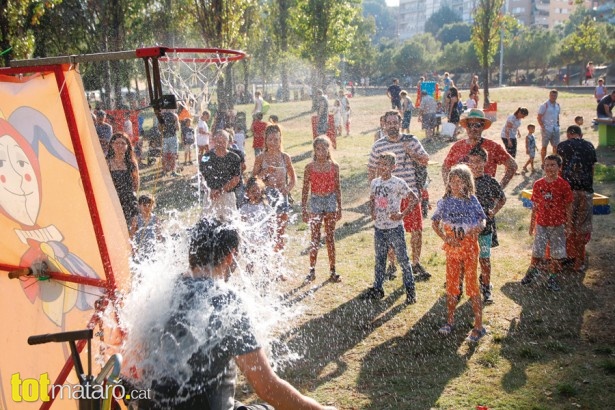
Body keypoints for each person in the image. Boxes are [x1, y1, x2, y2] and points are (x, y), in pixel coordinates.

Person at [132, 218, 337, 410]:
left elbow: (141, 362)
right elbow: (266, 388)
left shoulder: (164, 289)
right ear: (230, 255)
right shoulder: (226, 302)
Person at [367, 111, 431, 280]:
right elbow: (372, 169)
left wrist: (412, 153)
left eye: (395, 122)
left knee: (416, 230)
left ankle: (415, 263)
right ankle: (392, 264)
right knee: (389, 232)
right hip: (388, 197)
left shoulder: (411, 140)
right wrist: (373, 195)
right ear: (384, 124)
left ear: (400, 123)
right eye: (389, 123)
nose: (392, 125)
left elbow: (425, 160)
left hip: (410, 194)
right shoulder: (378, 146)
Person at [431, 164, 487, 342]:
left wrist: (478, 228)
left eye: (459, 181)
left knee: (471, 285)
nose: (454, 185)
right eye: (452, 181)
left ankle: (479, 326)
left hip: (470, 248)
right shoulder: (444, 202)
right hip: (453, 249)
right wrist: (445, 238)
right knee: (452, 285)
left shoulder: (472, 201)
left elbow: (483, 219)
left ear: (467, 183)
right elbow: (434, 223)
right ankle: (450, 321)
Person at [361, 152, 418, 305]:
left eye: (385, 165)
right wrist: (372, 210)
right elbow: (372, 198)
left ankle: (411, 291)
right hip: (379, 228)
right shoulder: (375, 182)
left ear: (394, 167)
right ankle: (378, 288)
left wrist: (402, 214)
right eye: (380, 164)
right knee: (380, 259)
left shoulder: (398, 183)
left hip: (395, 228)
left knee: (403, 260)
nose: (382, 168)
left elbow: (414, 199)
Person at [521, 154, 573, 291]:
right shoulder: (538, 184)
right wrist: (532, 224)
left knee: (557, 254)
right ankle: (531, 272)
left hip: (557, 225)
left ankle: (552, 279)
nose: (549, 168)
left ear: (559, 167)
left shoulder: (563, 185)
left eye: (552, 165)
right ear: (543, 166)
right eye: (547, 165)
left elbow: (568, 206)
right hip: (542, 223)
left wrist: (568, 225)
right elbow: (535, 206)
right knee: (537, 252)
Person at [468, 149, 506, 305]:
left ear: (485, 162)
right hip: (468, 229)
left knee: (484, 259)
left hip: (485, 228)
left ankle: (486, 287)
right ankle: (464, 286)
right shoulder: (465, 182)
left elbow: (502, 199)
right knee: (468, 259)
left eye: (478, 161)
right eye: (472, 162)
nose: (475, 165)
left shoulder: (490, 181)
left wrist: (493, 211)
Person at [442, 109, 517, 189]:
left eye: (477, 125)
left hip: (484, 196)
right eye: (470, 125)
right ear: (466, 127)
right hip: (462, 197)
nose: (473, 128)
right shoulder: (458, 146)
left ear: (482, 127)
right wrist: (449, 188)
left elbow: (512, 166)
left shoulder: (492, 146)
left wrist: (499, 188)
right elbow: (445, 167)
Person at [302, 136, 342, 283]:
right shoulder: (309, 167)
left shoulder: (334, 166)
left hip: (330, 200)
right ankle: (311, 271)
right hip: (316, 201)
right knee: (315, 238)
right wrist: (304, 208)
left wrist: (340, 206)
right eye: (318, 148)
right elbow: (306, 188)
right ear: (314, 150)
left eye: (324, 148)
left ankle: (333, 270)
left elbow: (338, 187)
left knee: (330, 237)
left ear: (328, 149)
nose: (321, 151)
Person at [556, 125, 597, 272]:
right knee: (582, 228)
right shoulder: (589, 146)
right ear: (581, 134)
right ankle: (579, 263)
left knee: (567, 226)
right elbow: (592, 169)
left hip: (568, 191)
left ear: (568, 134)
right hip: (585, 191)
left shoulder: (562, 146)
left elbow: (558, 169)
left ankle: (563, 258)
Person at [253, 124, 297, 252]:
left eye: (276, 140)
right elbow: (254, 180)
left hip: (282, 196)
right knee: (269, 231)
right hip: (267, 196)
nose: (273, 143)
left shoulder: (285, 157)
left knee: (280, 233)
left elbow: (293, 179)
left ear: (280, 140)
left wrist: (287, 189)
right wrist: (265, 172)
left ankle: (279, 266)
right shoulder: (261, 158)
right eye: (270, 140)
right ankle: (268, 264)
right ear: (265, 140)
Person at [200, 129, 242, 219]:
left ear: (228, 142)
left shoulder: (234, 158)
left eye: (223, 142)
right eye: (218, 142)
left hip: (227, 194)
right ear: (214, 141)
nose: (221, 144)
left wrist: (220, 190)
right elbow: (203, 176)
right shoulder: (206, 157)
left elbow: (236, 179)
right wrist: (210, 189)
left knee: (230, 224)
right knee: (207, 222)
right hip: (210, 195)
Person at [106, 132, 139, 227]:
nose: (120, 145)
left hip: (129, 199)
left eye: (123, 143)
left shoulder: (132, 163)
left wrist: (132, 198)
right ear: (112, 145)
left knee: (131, 227)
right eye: (117, 143)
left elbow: (136, 184)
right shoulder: (107, 163)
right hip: (113, 199)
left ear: (128, 146)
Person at [129, 193, 162, 263]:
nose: (147, 208)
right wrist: (134, 250)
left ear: (153, 206)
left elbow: (158, 236)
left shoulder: (156, 219)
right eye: (144, 205)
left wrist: (160, 248)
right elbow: (131, 237)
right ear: (139, 206)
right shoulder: (136, 219)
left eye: (149, 205)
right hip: (140, 250)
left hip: (152, 250)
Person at [537, 89, 560, 164]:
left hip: (555, 128)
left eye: (555, 95)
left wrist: (558, 124)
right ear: (549, 95)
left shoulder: (557, 105)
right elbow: (539, 116)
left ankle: (555, 161)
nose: (554, 97)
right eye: (552, 95)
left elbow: (557, 116)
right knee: (544, 146)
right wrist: (542, 126)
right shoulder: (544, 105)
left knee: (556, 146)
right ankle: (543, 162)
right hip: (546, 129)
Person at [160, 109, 180, 176]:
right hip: (173, 137)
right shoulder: (174, 116)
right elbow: (177, 128)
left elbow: (160, 128)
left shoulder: (162, 115)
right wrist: (177, 120)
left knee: (164, 155)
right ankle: (173, 172)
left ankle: (163, 171)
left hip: (165, 138)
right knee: (173, 155)